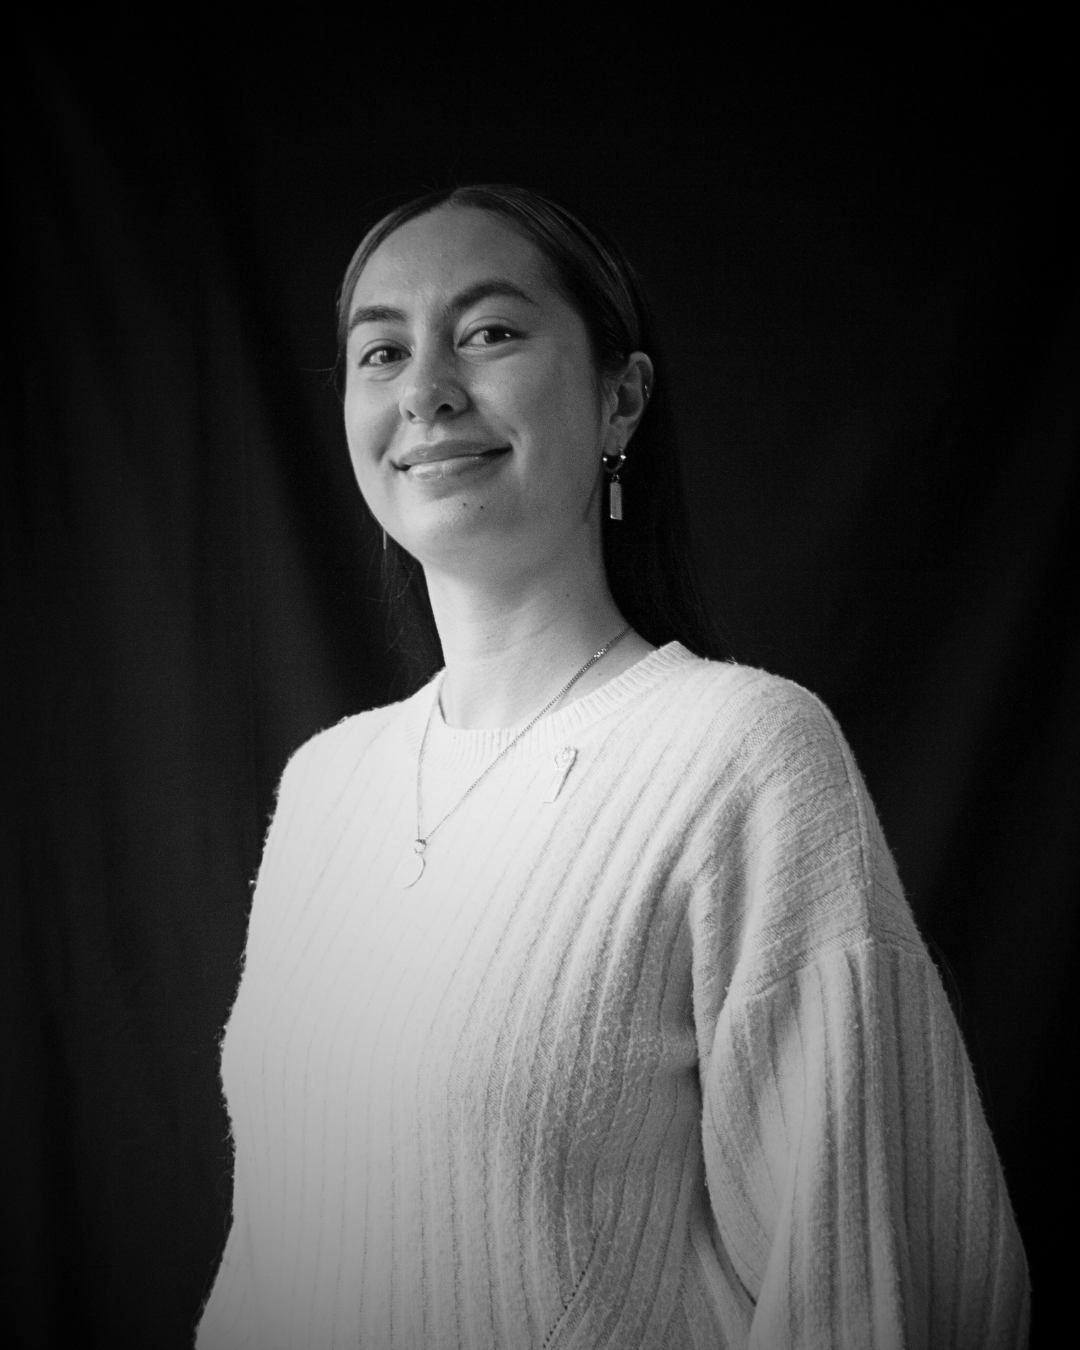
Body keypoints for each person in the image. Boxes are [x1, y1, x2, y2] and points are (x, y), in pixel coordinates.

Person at [195, 184, 1029, 1348]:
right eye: (380, 350)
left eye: (487, 333)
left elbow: (869, 1274)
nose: (427, 390)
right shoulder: (324, 787)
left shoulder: (741, 754)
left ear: (619, 399)